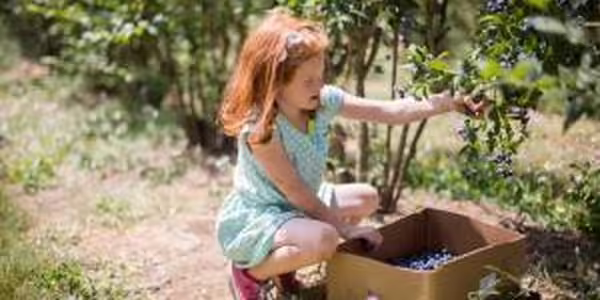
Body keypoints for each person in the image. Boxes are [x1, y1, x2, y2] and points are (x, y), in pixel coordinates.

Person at [215, 8, 484, 300]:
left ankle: (285, 264)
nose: (319, 85)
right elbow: (294, 191)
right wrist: (343, 229)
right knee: (326, 239)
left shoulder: (321, 101)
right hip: (264, 212)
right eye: (308, 80)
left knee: (366, 197)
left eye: (320, 75)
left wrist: (446, 102)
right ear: (275, 83)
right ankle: (249, 273)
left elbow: (388, 112)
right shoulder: (262, 128)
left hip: (297, 207)